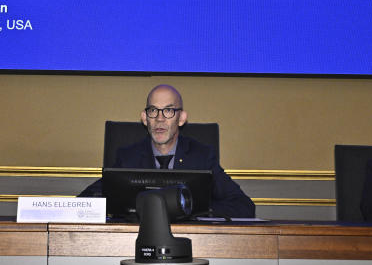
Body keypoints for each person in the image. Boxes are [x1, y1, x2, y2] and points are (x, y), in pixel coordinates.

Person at [79, 84, 255, 218]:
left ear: (181, 118)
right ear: (145, 118)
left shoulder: (201, 156)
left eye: (168, 110)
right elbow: (85, 201)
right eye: (153, 110)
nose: (160, 119)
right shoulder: (128, 157)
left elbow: (244, 206)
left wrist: (193, 208)